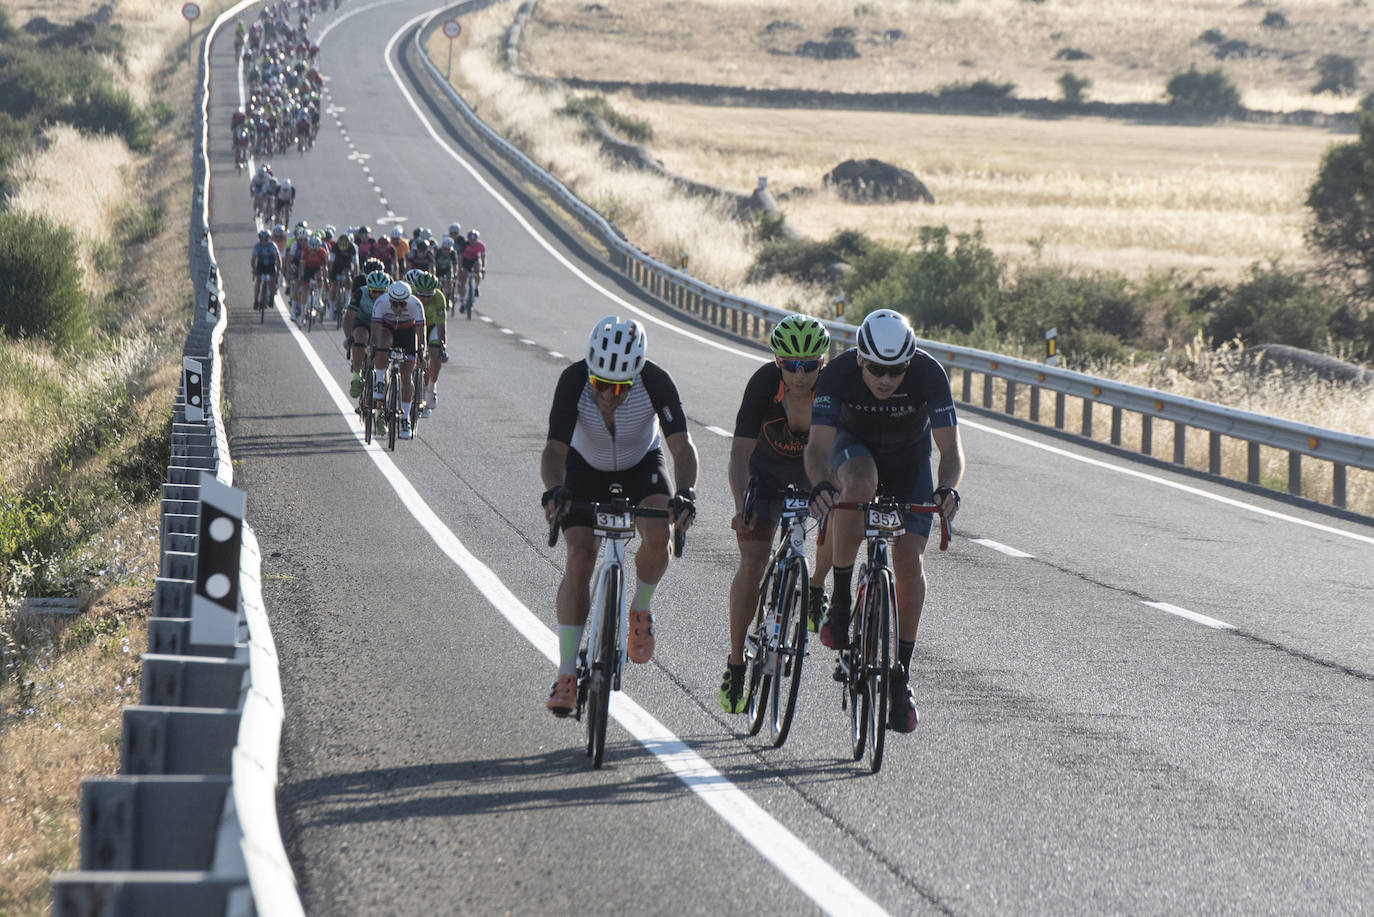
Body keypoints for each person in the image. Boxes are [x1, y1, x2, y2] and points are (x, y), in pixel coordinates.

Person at [804, 309, 963, 734]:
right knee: (858, 484)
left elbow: (950, 453)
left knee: (909, 559)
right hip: (852, 449)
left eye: (895, 371)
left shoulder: (929, 374)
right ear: (860, 359)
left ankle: (900, 676)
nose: (885, 379)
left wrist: (946, 490)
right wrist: (821, 483)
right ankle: (839, 603)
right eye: (875, 368)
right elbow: (817, 448)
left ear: (908, 363)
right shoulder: (837, 374)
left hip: (909, 460)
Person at [540, 317, 699, 716]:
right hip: (583, 467)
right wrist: (554, 490)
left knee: (657, 532)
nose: (608, 397)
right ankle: (565, 674)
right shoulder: (574, 379)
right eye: (600, 385)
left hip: (639, 463)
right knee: (580, 557)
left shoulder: (656, 381)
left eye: (619, 388)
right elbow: (555, 450)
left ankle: (639, 608)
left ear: (636, 375)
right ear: (590, 372)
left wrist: (685, 493)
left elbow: (681, 446)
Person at [718, 314, 835, 713]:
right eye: (791, 365)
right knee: (752, 563)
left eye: (810, 365)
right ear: (777, 361)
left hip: (814, 474)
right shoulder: (763, 385)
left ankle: (816, 586)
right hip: (765, 477)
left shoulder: (834, 389)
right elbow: (738, 453)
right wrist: (739, 506)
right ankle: (736, 663)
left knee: (839, 520)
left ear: (823, 362)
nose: (800, 375)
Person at [369, 280, 426, 440]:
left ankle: (405, 418)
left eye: (403, 305)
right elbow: (375, 331)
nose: (399, 308)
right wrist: (373, 347)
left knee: (406, 375)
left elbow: (421, 333)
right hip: (387, 330)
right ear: (389, 300)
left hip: (407, 333)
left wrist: (422, 351)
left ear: (408, 301)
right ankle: (380, 382)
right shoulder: (380, 303)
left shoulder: (416, 304)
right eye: (395, 304)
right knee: (383, 343)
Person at [404, 269, 446, 417]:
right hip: (415, 325)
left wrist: (441, 346)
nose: (424, 299)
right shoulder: (411, 296)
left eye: (428, 296)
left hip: (432, 326)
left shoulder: (440, 298)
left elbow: (441, 327)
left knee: (434, 353)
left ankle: (431, 387)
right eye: (421, 295)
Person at [346, 265, 389, 399]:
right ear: (368, 289)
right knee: (360, 336)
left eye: (380, 292)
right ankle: (356, 376)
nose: (377, 295)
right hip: (363, 323)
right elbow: (348, 318)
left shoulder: (391, 297)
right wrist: (349, 338)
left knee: (382, 361)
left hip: (382, 325)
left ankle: (381, 410)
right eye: (373, 291)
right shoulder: (360, 293)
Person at [249, 229, 281, 306]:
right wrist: (254, 269)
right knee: (258, 281)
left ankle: (271, 297)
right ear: (259, 239)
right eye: (261, 239)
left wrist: (278, 271)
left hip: (271, 265)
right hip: (261, 265)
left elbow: (278, 259)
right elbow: (253, 260)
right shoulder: (257, 246)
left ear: (268, 239)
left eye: (266, 239)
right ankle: (256, 300)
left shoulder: (272, 246)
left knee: (272, 281)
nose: (264, 241)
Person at [457, 228, 486, 304]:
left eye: (474, 240)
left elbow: (483, 258)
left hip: (474, 260)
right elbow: (460, 257)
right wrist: (460, 269)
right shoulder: (465, 245)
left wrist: (483, 268)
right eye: (470, 240)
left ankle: (476, 287)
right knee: (463, 278)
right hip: (465, 261)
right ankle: (462, 299)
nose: (472, 242)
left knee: (478, 268)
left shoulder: (481, 245)